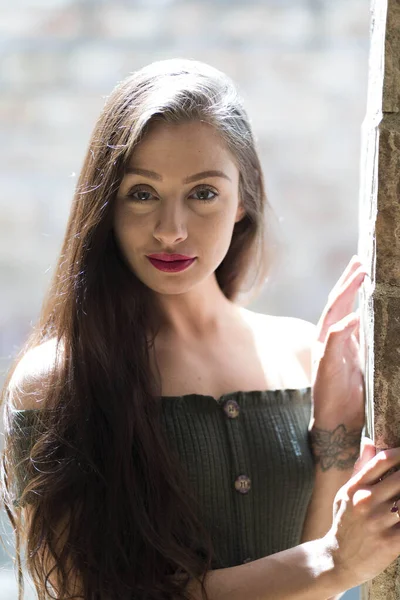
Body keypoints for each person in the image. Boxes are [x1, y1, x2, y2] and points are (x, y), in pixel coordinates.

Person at [1, 57, 400, 600]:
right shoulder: (57, 380)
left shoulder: (304, 355)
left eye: (203, 193)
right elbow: (86, 593)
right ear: (106, 206)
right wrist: (331, 560)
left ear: (242, 201)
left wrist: (331, 428)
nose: (171, 229)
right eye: (142, 193)